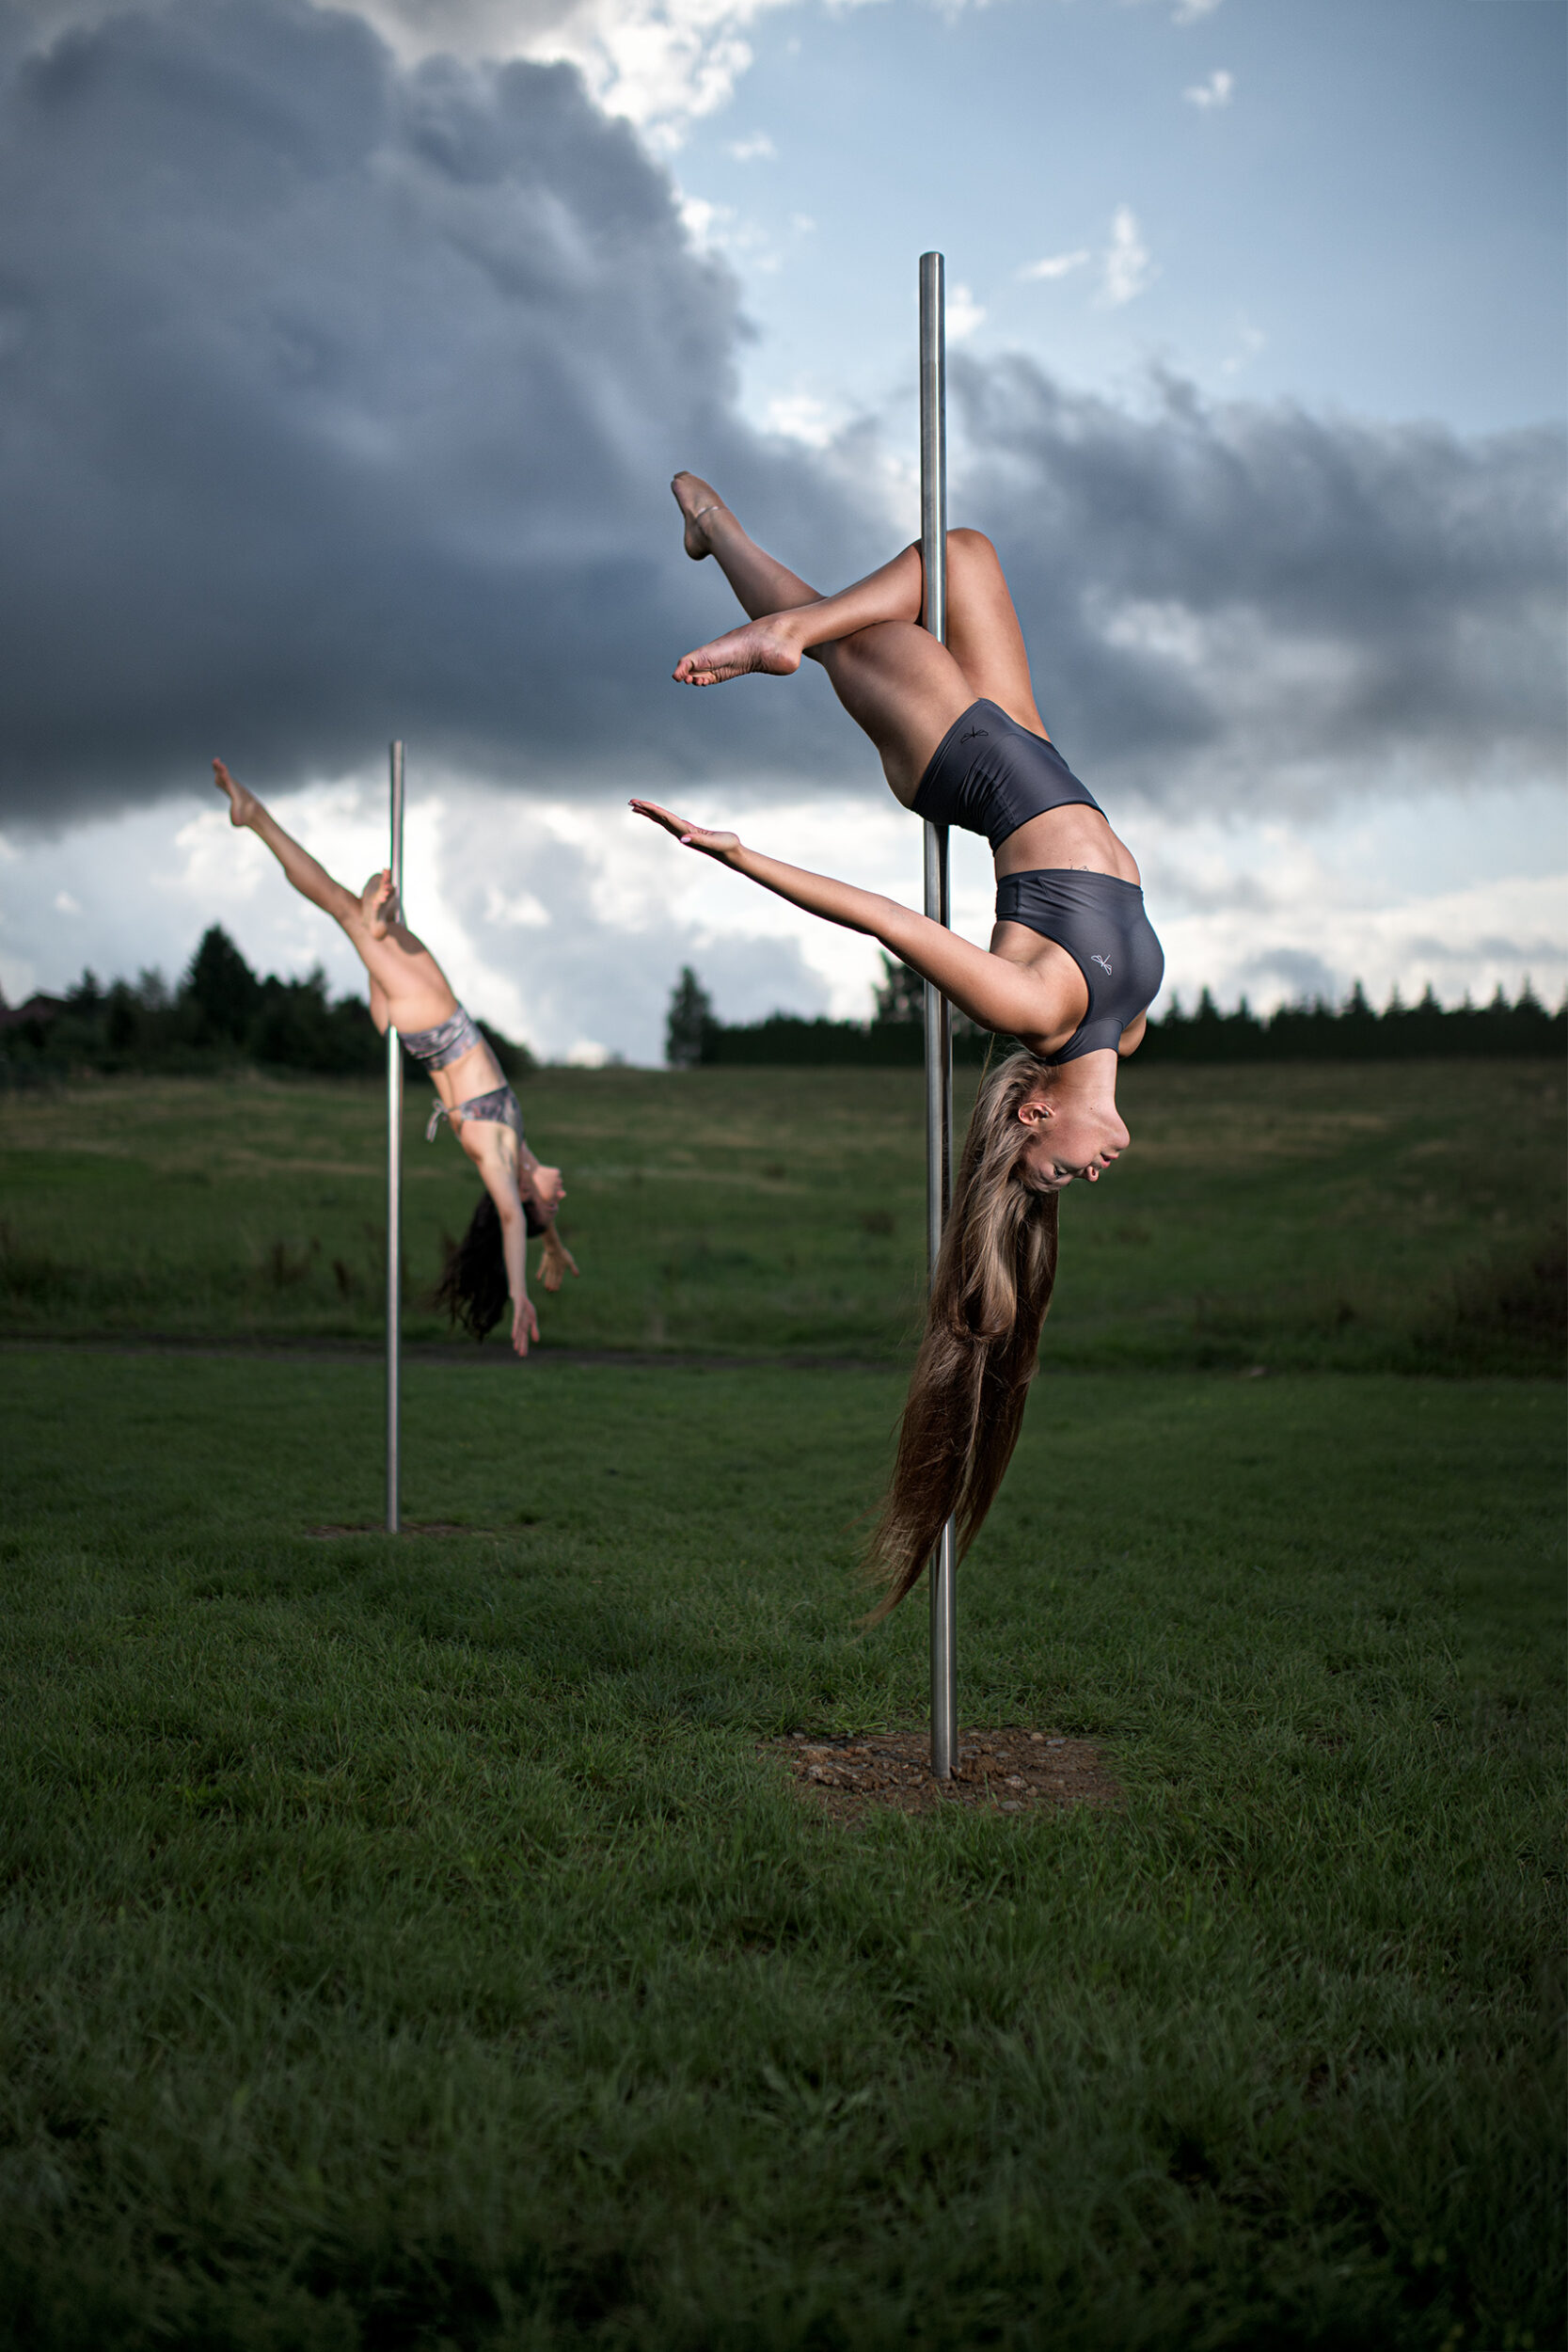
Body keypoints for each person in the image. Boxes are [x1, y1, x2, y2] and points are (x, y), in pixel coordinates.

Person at [633, 473, 1163, 1613]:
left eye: (1057, 1171)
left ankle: (770, 620)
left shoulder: (1034, 1010)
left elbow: (889, 920)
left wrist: (739, 855)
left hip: (959, 758)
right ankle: (717, 534)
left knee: (898, 590)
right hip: (1031, 742)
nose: (1088, 1174)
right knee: (940, 567)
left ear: (1033, 1113)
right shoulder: (1119, 1025)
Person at [211, 760, 576, 1354]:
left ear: (531, 1195)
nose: (562, 1195)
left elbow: (514, 1219)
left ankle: (263, 826)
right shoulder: (518, 1154)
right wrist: (553, 1245)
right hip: (423, 1018)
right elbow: (533, 1214)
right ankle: (365, 909)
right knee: (358, 910)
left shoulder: (497, 1158)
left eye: (555, 1204)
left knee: (348, 912)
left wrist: (518, 1293)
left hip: (430, 1018)